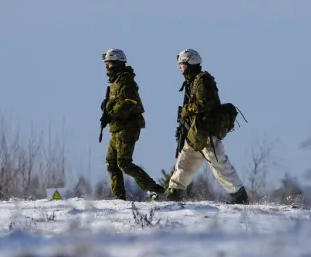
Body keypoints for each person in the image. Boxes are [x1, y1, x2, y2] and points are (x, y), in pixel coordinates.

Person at [164, 48, 249, 204]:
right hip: (196, 132)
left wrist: (186, 110)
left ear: (189, 63)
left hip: (207, 131)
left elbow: (206, 104)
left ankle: (238, 195)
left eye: (181, 64)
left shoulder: (203, 80)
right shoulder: (192, 81)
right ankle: (174, 192)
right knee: (185, 161)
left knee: (218, 163)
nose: (179, 67)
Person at [101, 48, 165, 200]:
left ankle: (153, 188)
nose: (106, 67)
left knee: (123, 163)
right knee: (111, 163)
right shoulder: (115, 82)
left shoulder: (125, 80)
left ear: (117, 63)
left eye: (109, 63)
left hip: (128, 127)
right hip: (117, 128)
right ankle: (119, 197)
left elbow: (129, 102)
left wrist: (111, 113)